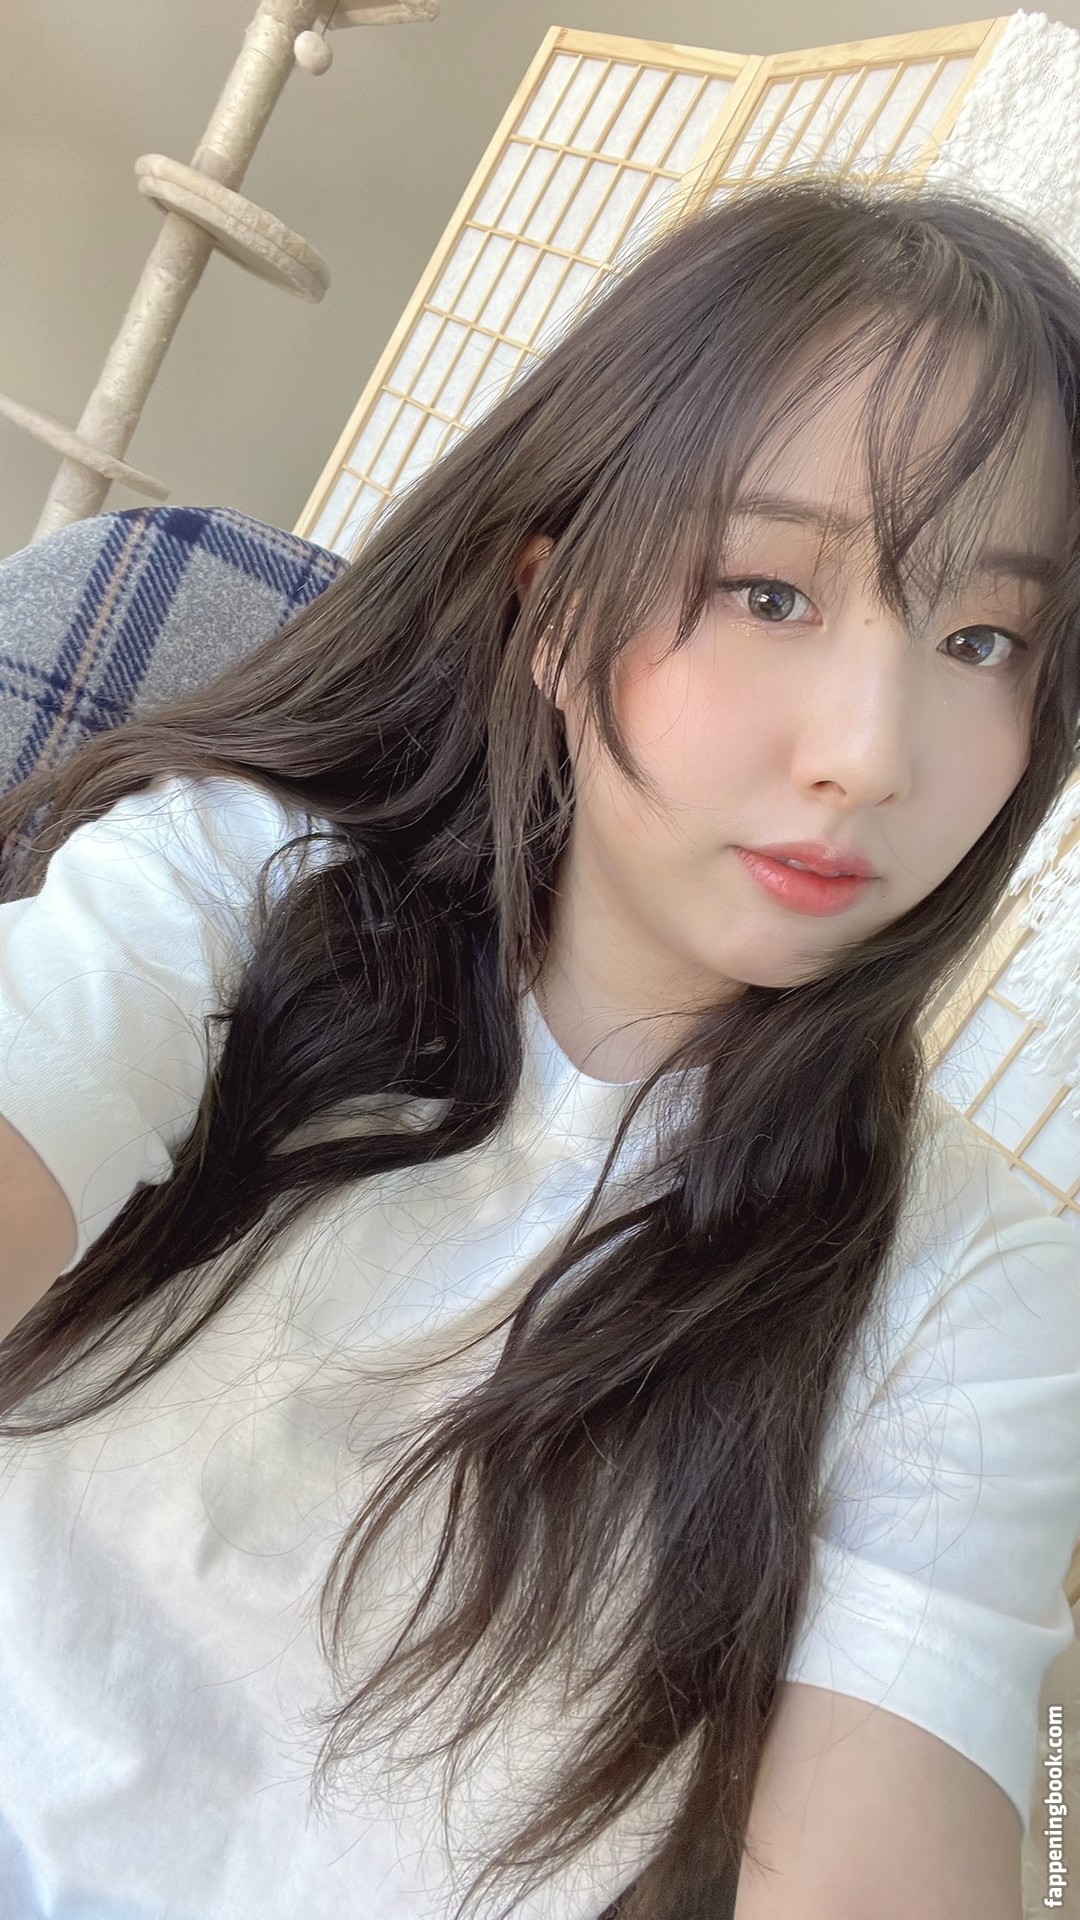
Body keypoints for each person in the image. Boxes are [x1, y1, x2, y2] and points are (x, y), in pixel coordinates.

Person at [0, 173, 1077, 1920]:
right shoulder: (228, 891)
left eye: (982, 640)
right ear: (552, 603)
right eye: (771, 592)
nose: (872, 754)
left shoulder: (969, 1290)